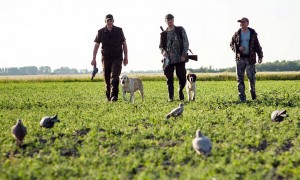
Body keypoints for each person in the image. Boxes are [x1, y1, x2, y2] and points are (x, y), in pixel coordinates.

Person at [91, 14, 128, 102]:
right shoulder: (100, 32)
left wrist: (126, 57)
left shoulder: (119, 31)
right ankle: (109, 96)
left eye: (110, 20)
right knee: (107, 78)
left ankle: (114, 96)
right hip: (106, 58)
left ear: (113, 21)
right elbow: (96, 45)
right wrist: (93, 58)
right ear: (105, 21)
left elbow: (124, 44)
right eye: (107, 20)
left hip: (117, 57)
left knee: (115, 76)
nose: (109, 22)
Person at [230, 17, 263, 102]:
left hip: (250, 58)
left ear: (247, 23)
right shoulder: (237, 34)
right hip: (240, 58)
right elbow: (231, 44)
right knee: (239, 78)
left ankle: (253, 94)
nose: (241, 23)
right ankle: (242, 99)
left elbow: (257, 45)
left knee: (251, 77)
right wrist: (237, 49)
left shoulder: (252, 33)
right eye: (240, 22)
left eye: (243, 22)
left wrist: (260, 56)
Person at [159, 14, 189, 102]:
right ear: (165, 21)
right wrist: (163, 51)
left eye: (171, 19)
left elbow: (186, 42)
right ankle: (171, 97)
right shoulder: (163, 34)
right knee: (169, 79)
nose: (170, 21)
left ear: (173, 20)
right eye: (168, 20)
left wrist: (183, 55)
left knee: (182, 77)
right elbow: (161, 46)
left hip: (180, 58)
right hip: (168, 60)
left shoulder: (180, 29)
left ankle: (180, 91)